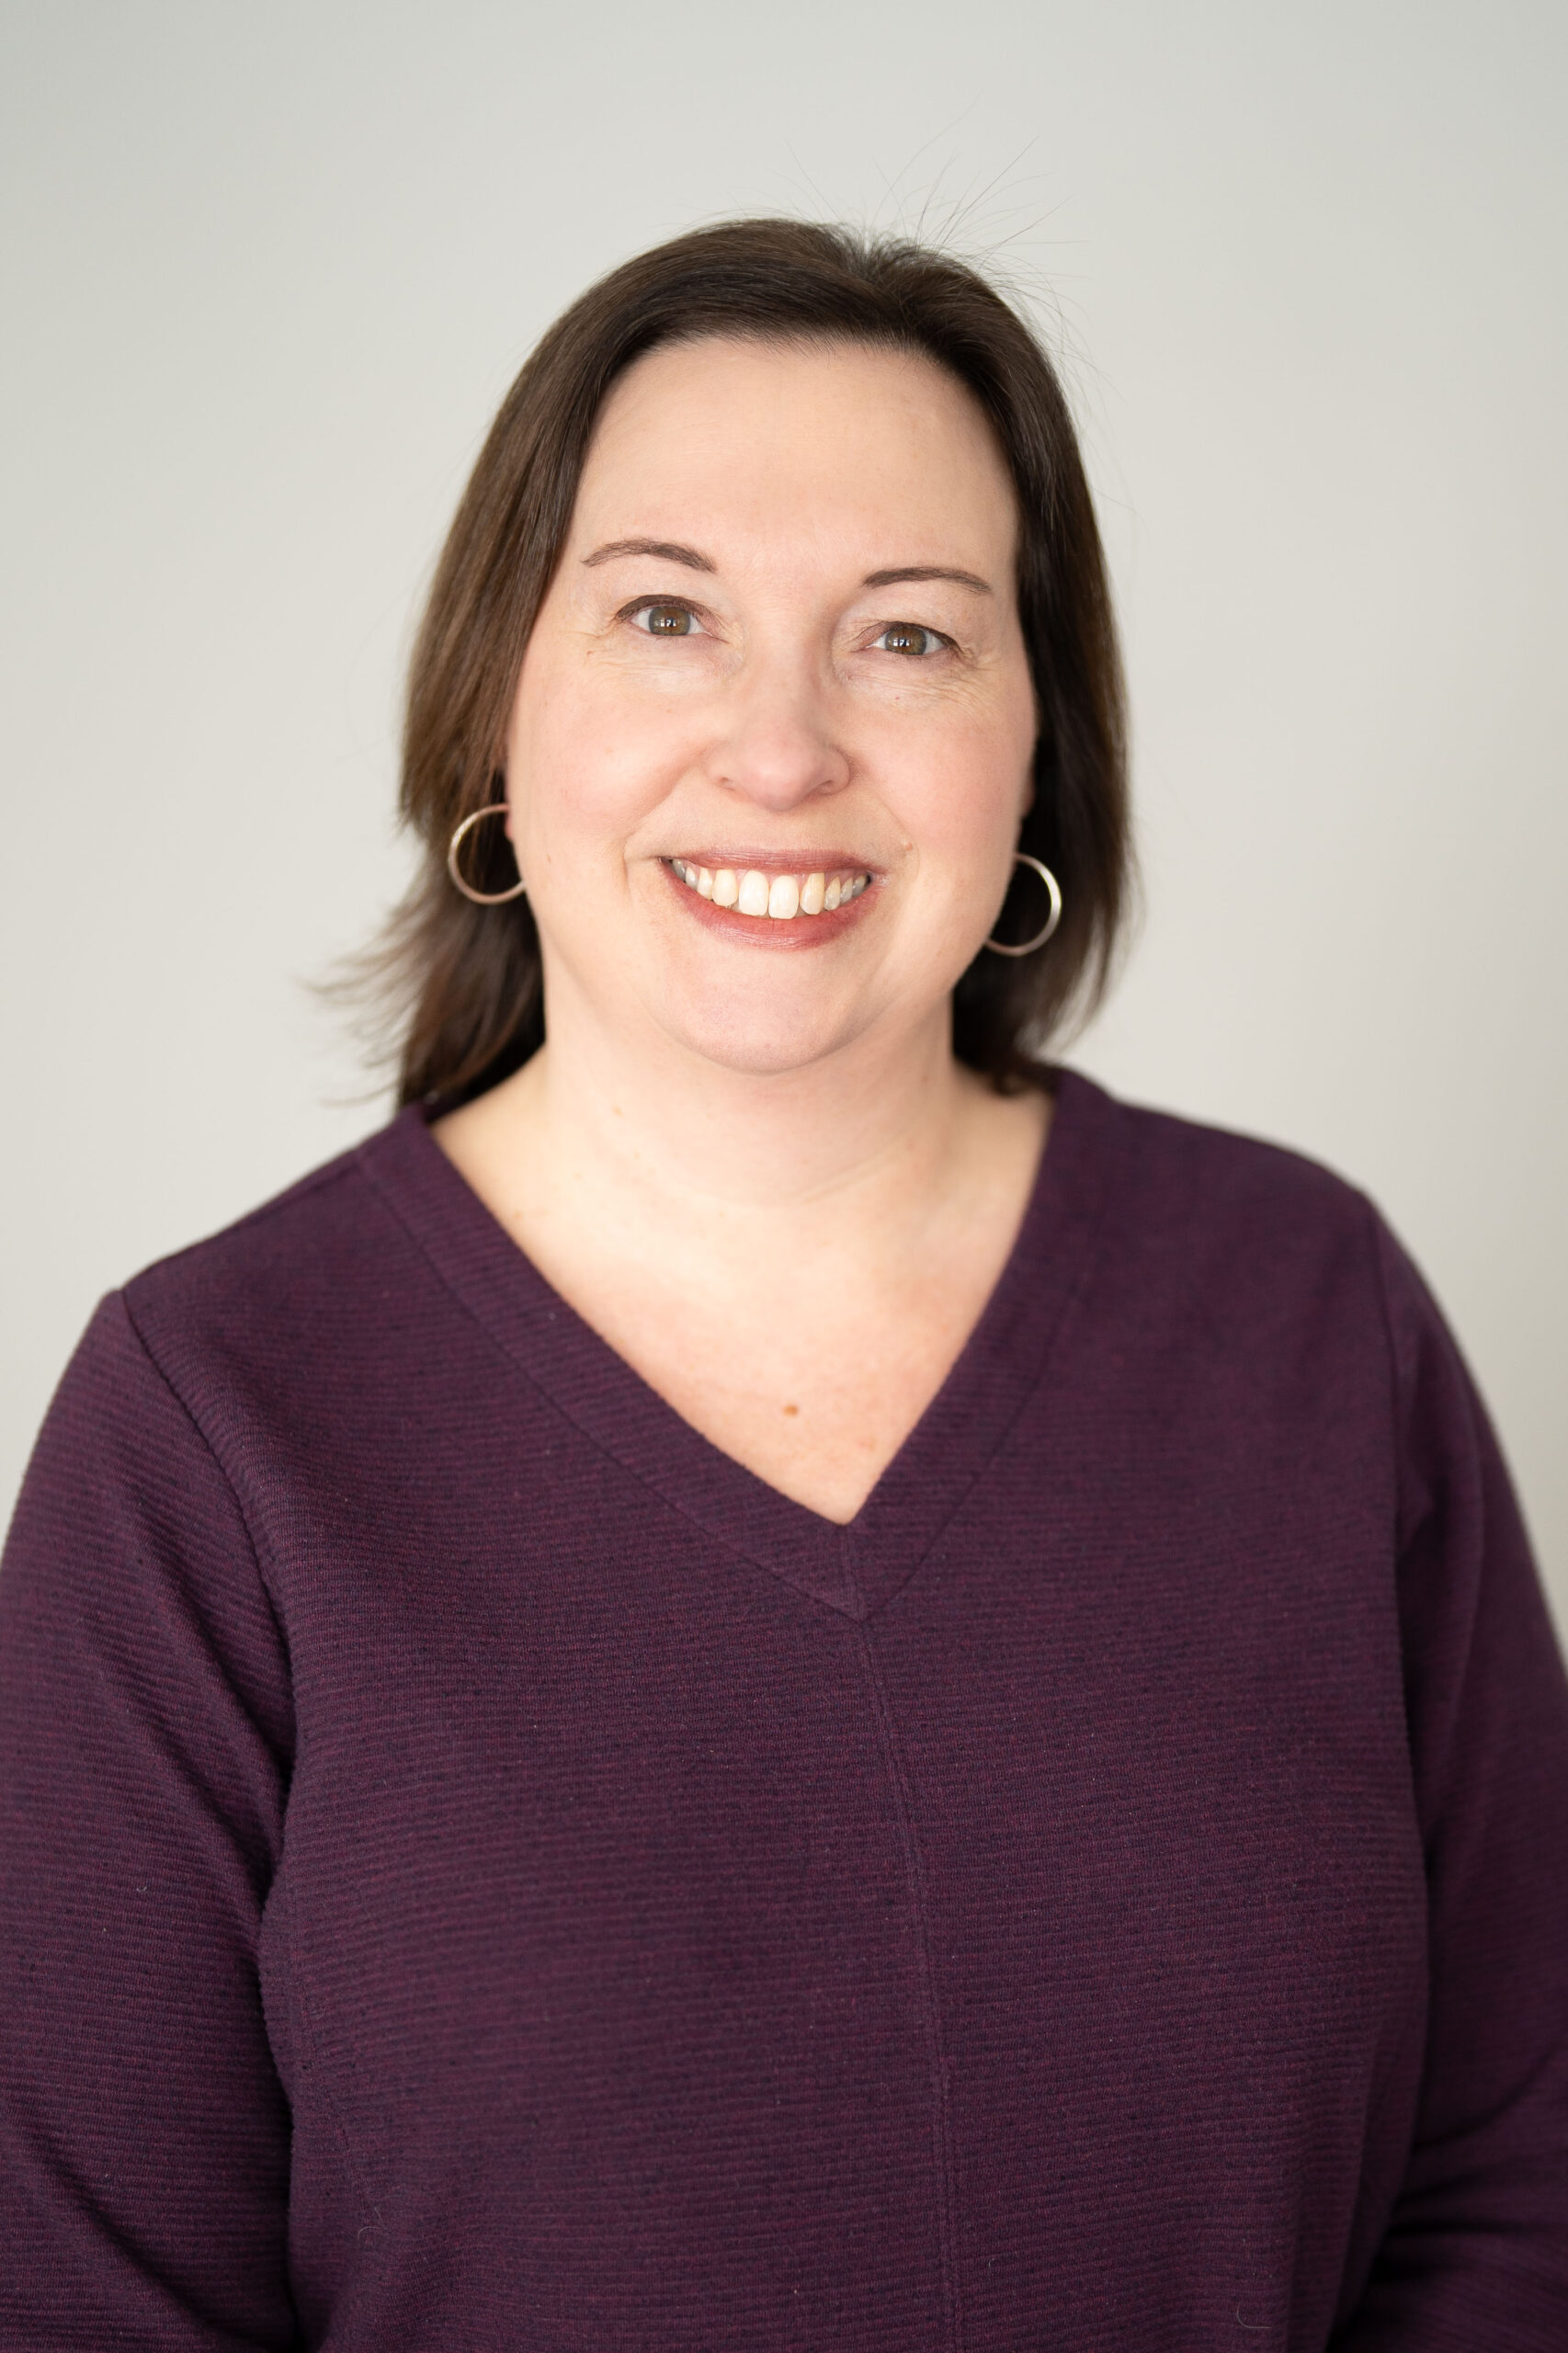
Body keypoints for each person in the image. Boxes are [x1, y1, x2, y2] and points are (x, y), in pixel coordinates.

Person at [1, 219, 1563, 2351]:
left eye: (906, 637)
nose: (780, 748)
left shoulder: (1308, 1315)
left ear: (1037, 740)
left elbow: (1518, 2170)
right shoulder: (212, 1420)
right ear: (496, 702)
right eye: (667, 613)